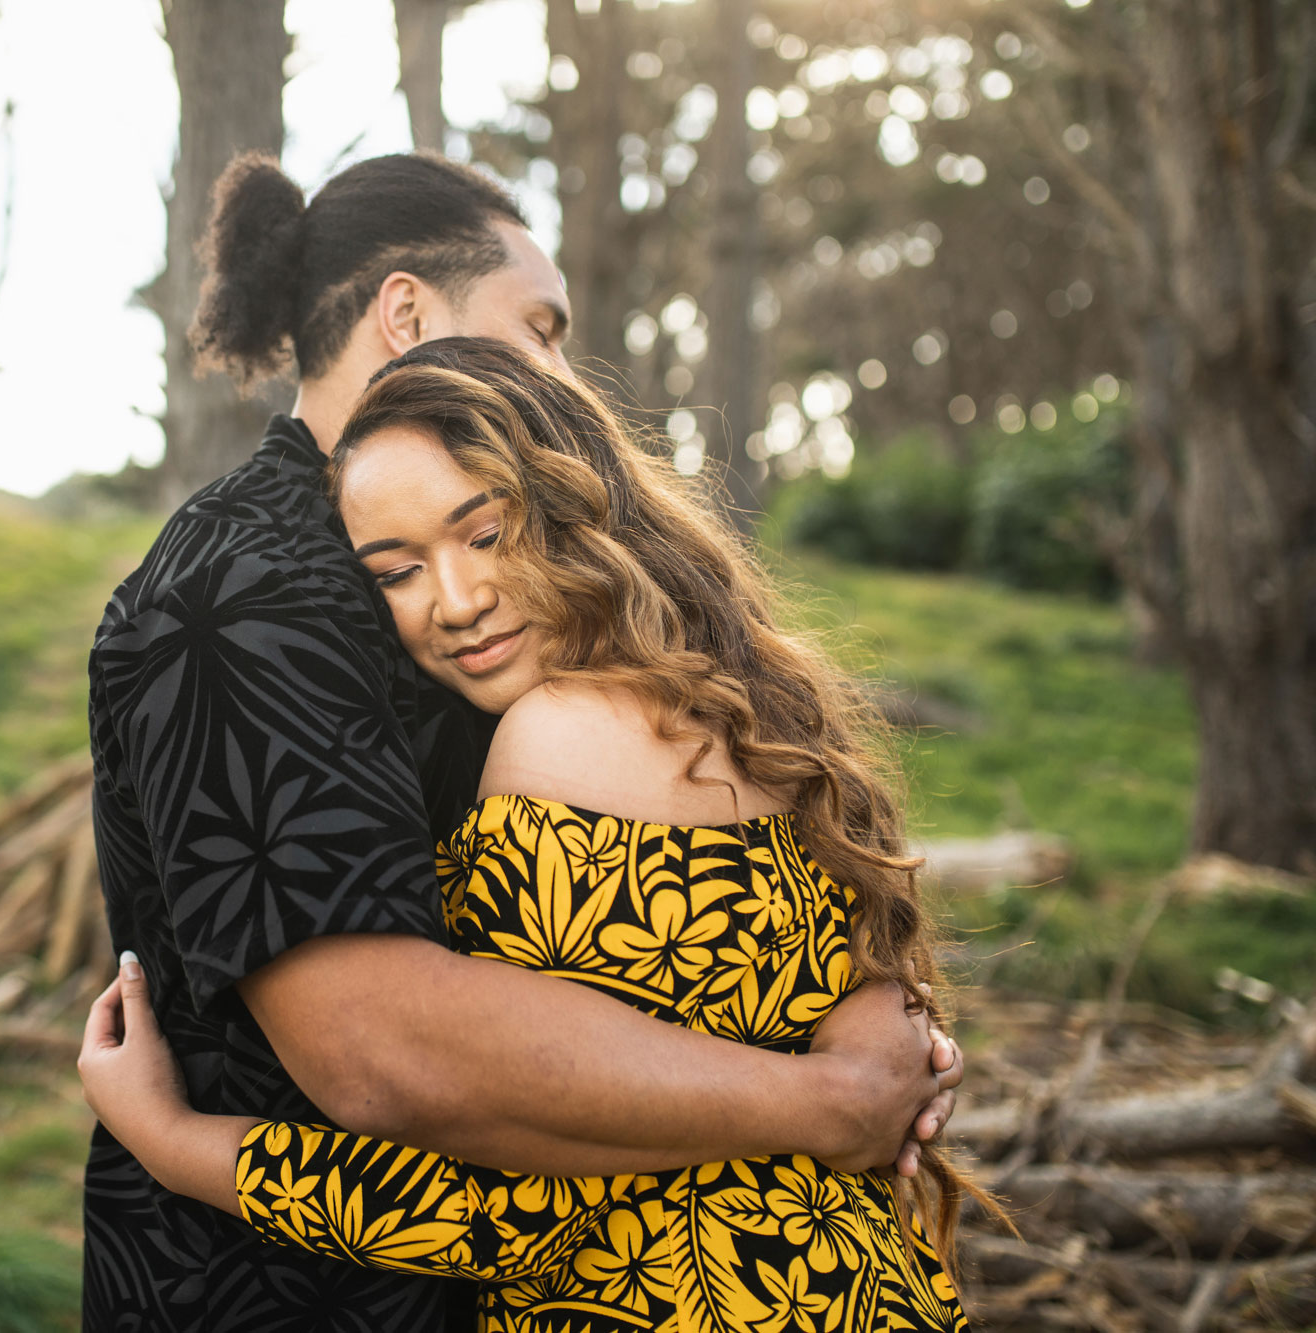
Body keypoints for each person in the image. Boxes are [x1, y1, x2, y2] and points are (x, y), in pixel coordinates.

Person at [81, 152, 964, 1332]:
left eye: (481, 534)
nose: (564, 373)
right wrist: (828, 1096)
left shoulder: (580, 661)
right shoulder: (247, 596)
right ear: (405, 314)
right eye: (538, 327)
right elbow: (380, 1051)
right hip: (302, 1296)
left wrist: (860, 1029)